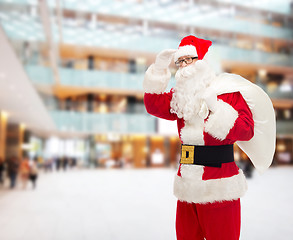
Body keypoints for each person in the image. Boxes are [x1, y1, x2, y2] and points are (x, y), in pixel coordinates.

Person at [143, 35, 276, 240]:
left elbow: (247, 130)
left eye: (189, 60)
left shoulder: (228, 93)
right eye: (180, 61)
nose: (184, 66)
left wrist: (217, 109)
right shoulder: (180, 97)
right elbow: (153, 105)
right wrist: (159, 69)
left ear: (203, 61)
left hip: (220, 188)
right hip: (186, 186)